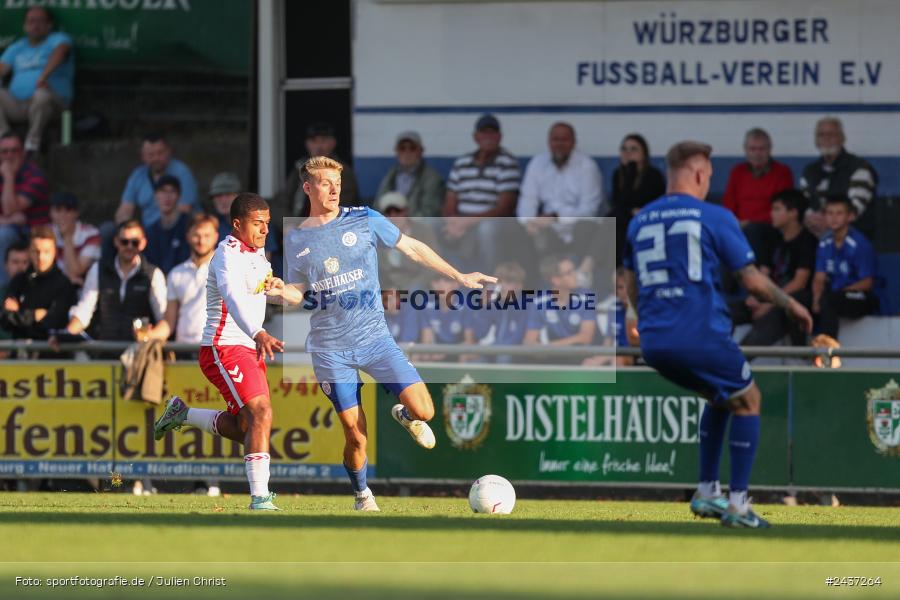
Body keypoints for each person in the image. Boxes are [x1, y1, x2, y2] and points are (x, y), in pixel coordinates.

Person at [280, 156, 495, 511]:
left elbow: (412, 248)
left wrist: (459, 276)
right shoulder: (297, 237)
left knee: (425, 411)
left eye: (337, 182)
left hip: (376, 341)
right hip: (331, 349)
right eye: (324, 183)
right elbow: (299, 292)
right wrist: (280, 292)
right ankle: (362, 494)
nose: (333, 189)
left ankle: (405, 415)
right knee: (355, 435)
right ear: (308, 188)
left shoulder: (364, 219)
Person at [622, 141, 812, 529]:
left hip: (656, 342)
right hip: (700, 333)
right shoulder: (714, 216)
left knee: (719, 396)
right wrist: (790, 304)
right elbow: (752, 281)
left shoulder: (639, 221)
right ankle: (739, 505)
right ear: (697, 173)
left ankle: (708, 491)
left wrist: (650, 323)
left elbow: (631, 285)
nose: (709, 181)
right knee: (749, 398)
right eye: (708, 175)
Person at [154, 194, 286, 511]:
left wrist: (283, 292)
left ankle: (183, 413)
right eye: (258, 223)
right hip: (223, 347)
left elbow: (262, 294)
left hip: (248, 348)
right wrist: (258, 332)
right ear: (237, 224)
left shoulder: (258, 255)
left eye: (267, 223)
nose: (265, 229)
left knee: (249, 427)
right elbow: (233, 297)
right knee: (260, 415)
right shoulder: (227, 254)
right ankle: (260, 498)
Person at [730, 189, 817, 347]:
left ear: (793, 213)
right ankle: (715, 355)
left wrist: (771, 303)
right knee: (726, 312)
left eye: (777, 209)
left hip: (788, 304)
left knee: (765, 325)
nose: (771, 214)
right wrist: (756, 296)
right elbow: (763, 272)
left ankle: (738, 363)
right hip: (768, 298)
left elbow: (799, 283)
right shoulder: (773, 238)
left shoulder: (807, 241)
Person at [62, 220, 170, 343]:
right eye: (124, 242)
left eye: (135, 242)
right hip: (102, 351)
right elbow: (84, 310)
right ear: (116, 242)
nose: (129, 246)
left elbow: (165, 320)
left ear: (143, 243)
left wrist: (149, 336)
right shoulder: (98, 269)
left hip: (137, 354)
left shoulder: (153, 274)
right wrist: (67, 335)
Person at [443, 114, 520, 272]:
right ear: (475, 137)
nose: (488, 137)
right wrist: (453, 223)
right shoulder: (462, 163)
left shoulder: (507, 162)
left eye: (492, 133)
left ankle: (489, 281)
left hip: (492, 222)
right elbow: (450, 200)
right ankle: (442, 280)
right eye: (484, 132)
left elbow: (504, 209)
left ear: (499, 137)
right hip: (461, 222)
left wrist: (467, 222)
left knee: (487, 229)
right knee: (431, 224)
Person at [517, 122, 603, 258]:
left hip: (576, 227)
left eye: (564, 140)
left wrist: (557, 217)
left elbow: (589, 210)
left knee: (585, 228)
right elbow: (527, 200)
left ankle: (582, 277)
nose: (559, 144)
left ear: (574, 142)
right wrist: (529, 222)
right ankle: (529, 279)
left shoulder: (587, 166)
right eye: (555, 139)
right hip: (546, 228)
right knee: (524, 232)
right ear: (549, 142)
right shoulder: (538, 163)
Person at [0, 7, 73, 154]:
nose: (35, 25)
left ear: (49, 25)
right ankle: (5, 139)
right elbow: (2, 68)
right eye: (31, 21)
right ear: (25, 26)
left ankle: (32, 144)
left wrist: (43, 77)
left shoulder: (58, 39)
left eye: (40, 21)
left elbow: (61, 53)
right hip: (19, 104)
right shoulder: (18, 46)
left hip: (53, 103)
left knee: (41, 94)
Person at [812, 195, 878, 342]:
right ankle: (800, 355)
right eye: (830, 213)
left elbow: (867, 283)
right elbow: (819, 278)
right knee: (800, 300)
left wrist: (841, 293)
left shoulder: (860, 243)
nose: (834, 218)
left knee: (830, 300)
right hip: (833, 295)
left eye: (839, 213)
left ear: (850, 216)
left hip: (860, 297)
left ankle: (829, 352)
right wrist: (815, 300)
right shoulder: (825, 243)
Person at [722, 128, 794, 263]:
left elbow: (782, 209)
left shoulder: (782, 172)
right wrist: (735, 223)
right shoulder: (737, 172)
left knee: (752, 232)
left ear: (770, 149)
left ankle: (752, 280)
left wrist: (750, 223)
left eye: (761, 149)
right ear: (745, 150)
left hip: (770, 229)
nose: (757, 153)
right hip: (740, 228)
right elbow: (729, 204)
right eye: (752, 149)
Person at [799, 117, 877, 238]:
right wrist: (811, 219)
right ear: (816, 141)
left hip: (852, 236)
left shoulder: (859, 169)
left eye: (832, 134)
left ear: (842, 138)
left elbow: (855, 210)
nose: (826, 139)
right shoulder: (809, 171)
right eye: (821, 135)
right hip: (815, 235)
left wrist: (828, 222)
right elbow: (804, 205)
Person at [1, 226, 76, 340]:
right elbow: (4, 321)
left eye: (46, 251)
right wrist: (35, 315)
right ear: (29, 252)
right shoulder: (19, 280)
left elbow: (53, 324)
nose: (41, 257)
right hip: (19, 354)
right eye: (36, 251)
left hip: (50, 355)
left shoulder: (63, 284)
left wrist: (19, 313)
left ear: (55, 252)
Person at [116, 133, 200, 229]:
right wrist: (125, 227)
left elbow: (185, 208)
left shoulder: (182, 172)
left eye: (160, 153)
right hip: (147, 232)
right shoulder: (138, 175)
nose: (156, 158)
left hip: (179, 229)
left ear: (169, 152)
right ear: (142, 156)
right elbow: (125, 209)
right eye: (151, 155)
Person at [277, 122, 360, 218]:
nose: (319, 146)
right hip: (300, 226)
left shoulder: (342, 171)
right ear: (307, 144)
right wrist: (289, 225)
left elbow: (342, 208)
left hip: (331, 227)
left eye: (323, 141)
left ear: (333, 143)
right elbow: (281, 202)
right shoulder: (299, 168)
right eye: (314, 141)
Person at [608, 133, 666, 266]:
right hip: (624, 217)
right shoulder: (618, 174)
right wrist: (630, 172)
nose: (628, 153)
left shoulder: (654, 175)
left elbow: (658, 202)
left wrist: (639, 211)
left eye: (633, 149)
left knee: (615, 222)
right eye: (624, 149)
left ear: (644, 153)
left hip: (647, 218)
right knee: (615, 222)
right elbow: (619, 203)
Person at [0, 130, 48, 287]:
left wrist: (8, 177)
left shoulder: (35, 175)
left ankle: (5, 295)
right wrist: (9, 220)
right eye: (4, 152)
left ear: (22, 152)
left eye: (14, 150)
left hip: (34, 232)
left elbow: (10, 209)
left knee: (3, 235)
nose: (9, 156)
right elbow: (11, 215)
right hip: (11, 228)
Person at [164, 213, 219, 346]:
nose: (201, 241)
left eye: (207, 236)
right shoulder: (176, 274)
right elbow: (169, 323)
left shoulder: (227, 270)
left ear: (216, 237)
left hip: (217, 349)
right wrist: (149, 336)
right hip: (183, 350)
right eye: (196, 235)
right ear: (188, 236)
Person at [523, 255, 596, 349]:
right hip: (550, 357)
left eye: (574, 270)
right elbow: (529, 340)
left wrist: (550, 346)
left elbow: (586, 338)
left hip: (578, 354)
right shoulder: (539, 302)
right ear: (555, 280)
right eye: (569, 273)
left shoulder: (586, 297)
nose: (575, 275)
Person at [375, 191, 440, 290]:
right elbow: (378, 269)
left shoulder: (423, 232)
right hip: (388, 288)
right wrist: (388, 288)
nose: (393, 216)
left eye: (397, 211)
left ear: (406, 211)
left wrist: (415, 285)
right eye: (388, 212)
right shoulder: (378, 235)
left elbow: (433, 264)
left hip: (417, 285)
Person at [375, 131, 445, 217]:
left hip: (418, 228)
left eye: (412, 148)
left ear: (420, 151)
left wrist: (405, 223)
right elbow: (378, 205)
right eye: (402, 148)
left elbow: (430, 212)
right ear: (397, 151)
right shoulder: (391, 174)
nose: (407, 153)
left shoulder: (432, 178)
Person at [48, 192, 100, 285]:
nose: (62, 215)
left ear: (76, 213)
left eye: (68, 210)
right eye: (58, 210)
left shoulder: (92, 235)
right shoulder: (45, 233)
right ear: (50, 213)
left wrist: (67, 237)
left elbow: (76, 272)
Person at [143, 175, 191, 275]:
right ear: (156, 195)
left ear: (179, 196)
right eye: (163, 191)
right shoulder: (150, 232)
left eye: (172, 191)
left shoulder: (189, 228)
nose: (167, 196)